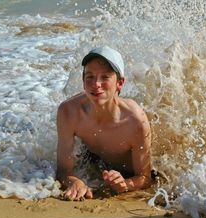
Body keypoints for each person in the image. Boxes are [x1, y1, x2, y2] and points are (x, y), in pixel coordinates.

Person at [56, 46, 152, 201]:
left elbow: (145, 177)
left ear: (119, 83)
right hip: (97, 161)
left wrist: (125, 184)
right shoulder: (69, 112)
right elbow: (62, 171)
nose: (96, 84)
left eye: (105, 77)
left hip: (126, 170)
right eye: (90, 76)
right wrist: (75, 182)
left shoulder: (135, 121)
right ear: (83, 80)